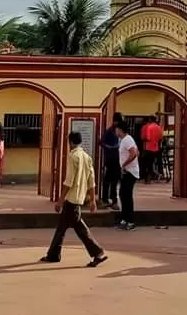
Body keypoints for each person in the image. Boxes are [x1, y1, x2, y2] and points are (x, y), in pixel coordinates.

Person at [42, 131, 108, 266]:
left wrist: (60, 200)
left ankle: (98, 252)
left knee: (78, 228)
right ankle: (53, 254)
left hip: (72, 198)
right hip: (80, 197)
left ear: (70, 142)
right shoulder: (86, 157)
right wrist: (92, 200)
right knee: (65, 227)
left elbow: (69, 181)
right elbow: (92, 180)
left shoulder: (73, 157)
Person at [116, 120, 140, 230]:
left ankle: (130, 221)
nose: (115, 131)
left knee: (127, 196)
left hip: (130, 172)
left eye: (116, 129)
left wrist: (125, 165)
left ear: (120, 130)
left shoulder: (127, 140)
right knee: (123, 194)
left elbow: (134, 153)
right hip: (127, 171)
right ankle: (124, 219)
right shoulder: (124, 140)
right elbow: (137, 152)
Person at [100, 113, 122, 209]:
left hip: (118, 160)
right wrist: (111, 147)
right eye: (116, 120)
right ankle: (105, 199)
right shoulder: (109, 131)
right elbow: (101, 142)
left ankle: (114, 200)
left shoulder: (120, 131)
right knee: (107, 180)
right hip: (110, 159)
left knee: (115, 181)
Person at [140, 114, 163, 183]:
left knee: (146, 164)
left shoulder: (148, 127)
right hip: (156, 148)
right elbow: (160, 138)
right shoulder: (159, 127)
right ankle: (156, 173)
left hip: (148, 148)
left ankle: (148, 178)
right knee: (153, 162)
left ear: (150, 119)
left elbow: (147, 138)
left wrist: (143, 139)